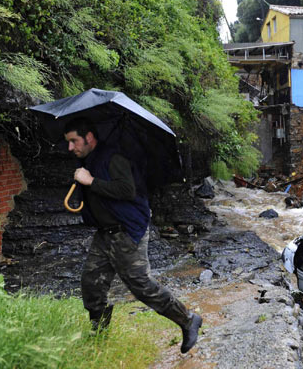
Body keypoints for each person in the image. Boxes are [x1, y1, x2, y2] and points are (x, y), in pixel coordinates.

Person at [63, 117, 202, 354]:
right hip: (105, 233)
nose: (70, 147)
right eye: (68, 142)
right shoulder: (92, 159)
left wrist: (91, 181)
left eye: (74, 141)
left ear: (89, 137)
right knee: (92, 283)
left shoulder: (115, 158)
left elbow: (127, 190)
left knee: (141, 286)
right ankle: (98, 336)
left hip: (127, 231)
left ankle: (188, 319)